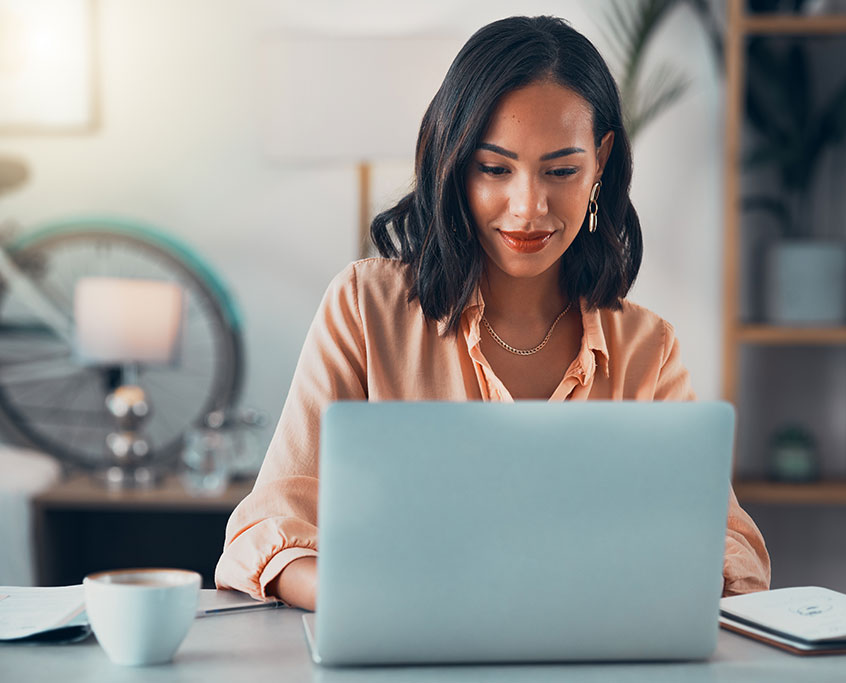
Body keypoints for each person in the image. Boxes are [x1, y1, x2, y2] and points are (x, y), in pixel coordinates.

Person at [215, 15, 769, 611]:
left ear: (601, 163)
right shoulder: (364, 308)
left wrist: (652, 583)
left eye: (561, 171)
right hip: (403, 646)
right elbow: (267, 530)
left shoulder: (646, 349)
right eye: (494, 168)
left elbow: (728, 545)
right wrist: (371, 600)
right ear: (454, 164)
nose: (528, 207)